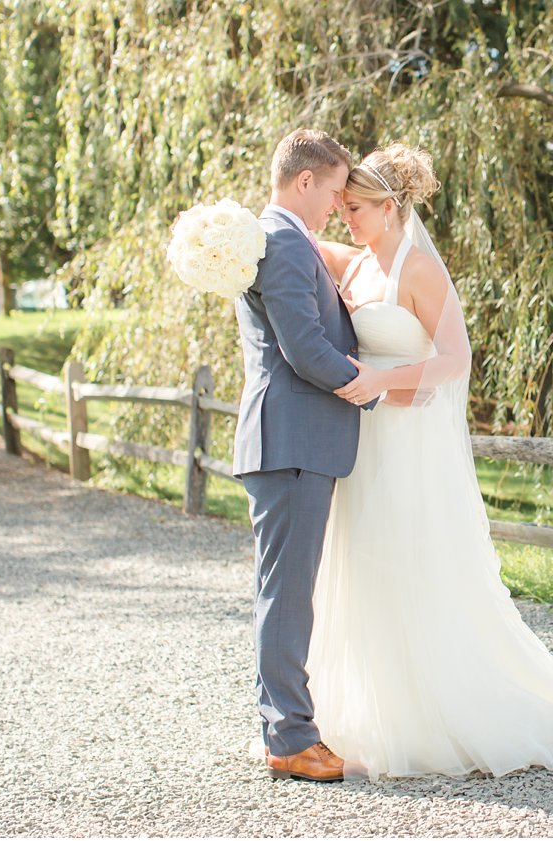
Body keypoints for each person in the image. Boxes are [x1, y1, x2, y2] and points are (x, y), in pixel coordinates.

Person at [305, 142, 553, 780]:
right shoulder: (352, 266)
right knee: (360, 562)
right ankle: (356, 715)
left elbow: (455, 360)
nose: (344, 217)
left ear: (389, 207)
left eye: (354, 207)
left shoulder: (419, 272)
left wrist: (385, 382)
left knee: (409, 562)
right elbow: (291, 233)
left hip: (406, 442)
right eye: (343, 206)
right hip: (362, 441)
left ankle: (428, 715)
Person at [232, 128, 379, 783]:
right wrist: (371, 387)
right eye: (331, 191)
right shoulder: (285, 241)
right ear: (304, 182)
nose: (334, 207)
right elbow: (304, 348)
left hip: (290, 440)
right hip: (290, 440)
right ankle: (291, 737)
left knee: (285, 592)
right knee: (288, 596)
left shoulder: (284, 239)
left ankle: (285, 726)